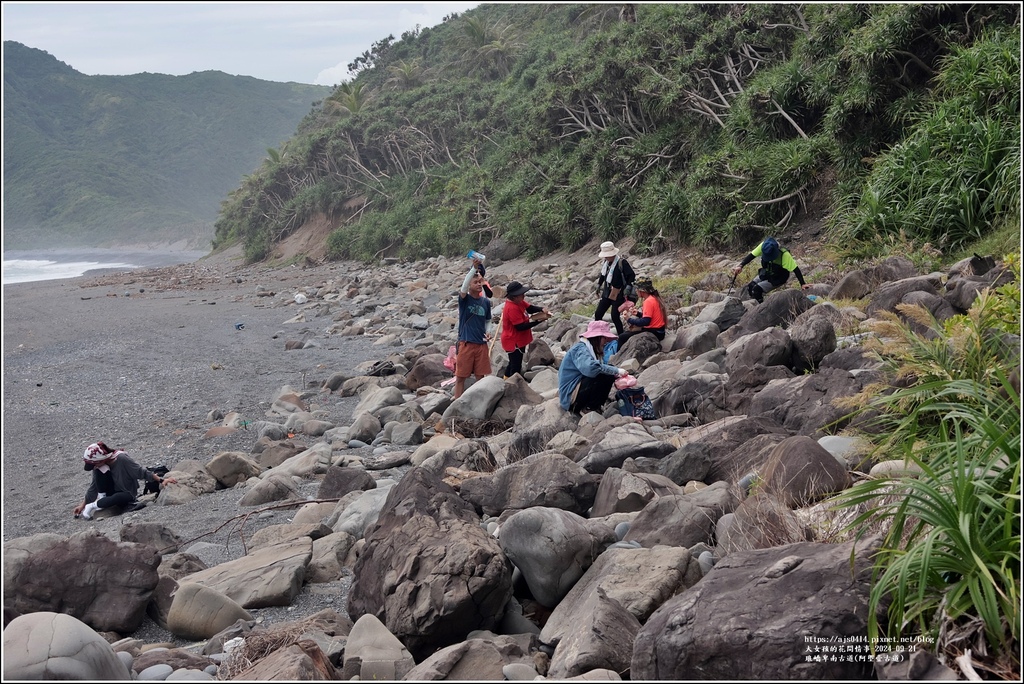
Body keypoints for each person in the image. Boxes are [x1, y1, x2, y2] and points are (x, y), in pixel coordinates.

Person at [73, 442, 176, 519]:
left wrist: (162, 480)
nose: (94, 467)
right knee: (100, 471)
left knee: (123, 496)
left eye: (94, 464)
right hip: (110, 492)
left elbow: (141, 472)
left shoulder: (122, 459)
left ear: (102, 459)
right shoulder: (99, 467)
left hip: (126, 493)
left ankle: (95, 505)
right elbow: (94, 487)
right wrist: (82, 505)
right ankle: (102, 500)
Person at [558, 320, 629, 414]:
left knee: (608, 371)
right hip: (570, 396)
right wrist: (616, 370)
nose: (606, 342)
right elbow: (590, 369)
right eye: (604, 338)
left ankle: (595, 406)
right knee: (605, 373)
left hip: (577, 389)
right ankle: (589, 408)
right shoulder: (580, 349)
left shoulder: (590, 349)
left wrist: (614, 371)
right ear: (596, 338)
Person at [731, 236, 810, 303]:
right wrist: (741, 266)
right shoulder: (764, 246)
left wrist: (802, 284)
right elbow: (751, 256)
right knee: (750, 286)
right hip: (767, 273)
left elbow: (795, 269)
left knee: (757, 290)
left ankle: (761, 308)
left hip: (779, 277)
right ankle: (755, 303)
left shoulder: (784, 255)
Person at [454, 262, 493, 398]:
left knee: (480, 376)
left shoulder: (486, 302)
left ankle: (479, 401)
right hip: (466, 343)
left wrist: (489, 331)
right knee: (460, 377)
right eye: (475, 282)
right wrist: (474, 269)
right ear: (470, 285)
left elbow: (488, 320)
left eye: (479, 282)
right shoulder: (464, 300)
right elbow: (463, 287)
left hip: (481, 345)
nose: (478, 284)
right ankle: (456, 404)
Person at [500, 280, 550, 379]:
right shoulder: (511, 308)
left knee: (513, 362)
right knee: (516, 365)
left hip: (519, 340)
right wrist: (537, 321)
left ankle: (506, 379)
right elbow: (520, 327)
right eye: (521, 294)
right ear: (514, 296)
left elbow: (530, 308)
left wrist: (541, 309)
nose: (523, 296)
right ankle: (513, 384)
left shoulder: (519, 302)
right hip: (513, 341)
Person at [594, 241, 636, 335]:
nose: (606, 257)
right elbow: (603, 275)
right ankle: (598, 334)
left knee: (614, 316)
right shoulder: (606, 263)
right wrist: (599, 285)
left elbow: (631, 275)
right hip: (607, 292)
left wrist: (628, 287)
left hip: (619, 293)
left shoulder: (621, 262)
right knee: (598, 314)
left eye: (607, 255)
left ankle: (621, 335)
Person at [618, 277, 667, 347]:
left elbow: (645, 322)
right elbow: (650, 318)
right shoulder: (653, 297)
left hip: (655, 333)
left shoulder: (648, 301)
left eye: (637, 289)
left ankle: (619, 357)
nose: (636, 291)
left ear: (642, 291)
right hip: (660, 331)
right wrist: (638, 314)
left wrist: (629, 319)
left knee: (622, 337)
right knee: (627, 333)